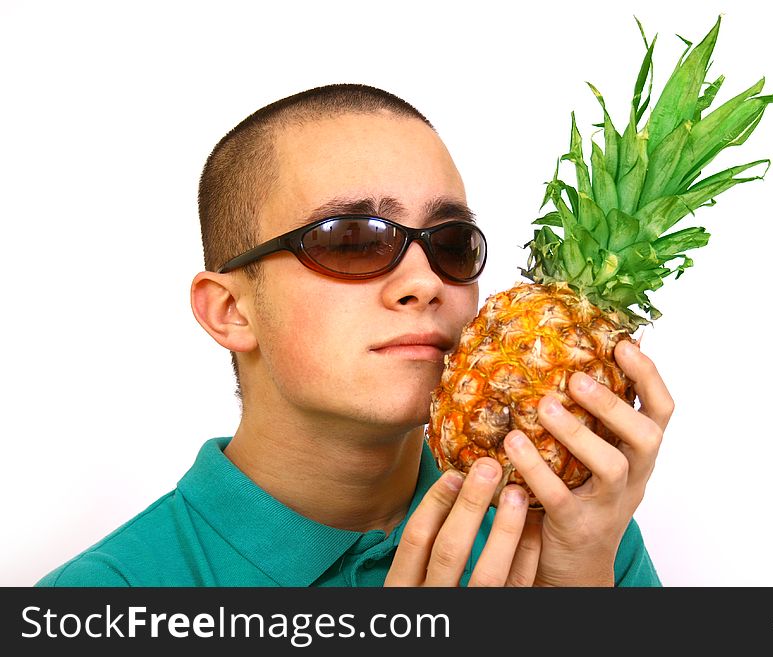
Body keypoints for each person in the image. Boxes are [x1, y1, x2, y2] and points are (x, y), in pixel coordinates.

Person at [36, 84, 672, 587]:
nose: (423, 281)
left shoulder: (576, 531)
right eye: (353, 239)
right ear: (230, 309)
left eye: (450, 243)